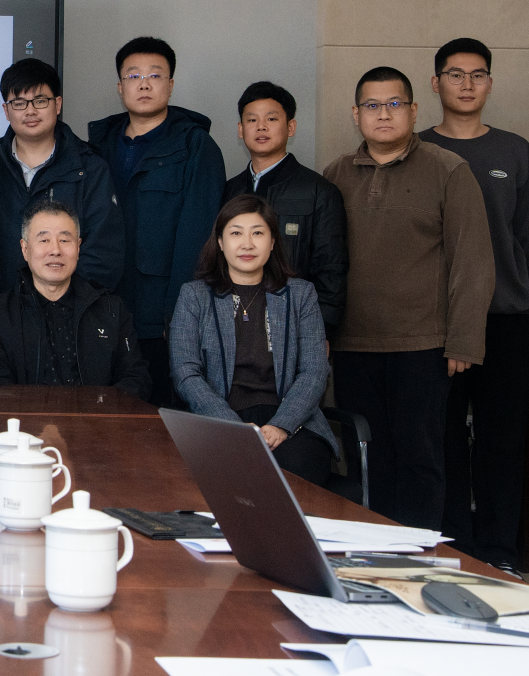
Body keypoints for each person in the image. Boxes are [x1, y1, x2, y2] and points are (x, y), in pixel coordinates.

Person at [323, 67, 495, 531]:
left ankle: (418, 557)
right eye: (373, 106)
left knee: (420, 458)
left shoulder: (447, 170)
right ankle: (374, 554)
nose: (384, 114)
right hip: (353, 345)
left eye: (395, 104)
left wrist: (463, 341)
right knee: (367, 459)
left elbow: (473, 261)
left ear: (415, 111)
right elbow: (322, 264)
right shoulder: (335, 174)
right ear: (356, 114)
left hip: (423, 346)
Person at [419, 39, 529, 572]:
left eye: (478, 74)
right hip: (436, 321)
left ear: (490, 83)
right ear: (435, 83)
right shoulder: (417, 148)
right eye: (455, 74)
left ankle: (499, 554)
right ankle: (453, 549)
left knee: (502, 443)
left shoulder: (515, 151)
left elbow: (527, 239)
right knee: (441, 441)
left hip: (505, 317)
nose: (466, 84)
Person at [86, 36, 226, 408]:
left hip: (161, 314)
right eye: (133, 76)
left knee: (163, 415)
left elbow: (199, 236)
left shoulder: (195, 147)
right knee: (105, 414)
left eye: (154, 75)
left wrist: (180, 314)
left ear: (171, 85)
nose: (144, 84)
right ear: (120, 87)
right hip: (102, 307)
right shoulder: (98, 147)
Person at [168, 195, 339, 486]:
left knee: (295, 470)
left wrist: (281, 425)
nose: (247, 244)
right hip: (220, 418)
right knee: (228, 473)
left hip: (290, 419)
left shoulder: (301, 295)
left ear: (272, 242)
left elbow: (314, 371)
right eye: (236, 233)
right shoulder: (194, 296)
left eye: (257, 233)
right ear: (220, 242)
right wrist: (233, 428)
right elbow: (186, 373)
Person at [0, 198, 148, 397]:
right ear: (25, 249)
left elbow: (136, 378)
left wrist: (97, 411)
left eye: (64, 240)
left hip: (96, 416)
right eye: (44, 240)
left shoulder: (111, 310)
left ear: (78, 247)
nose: (55, 250)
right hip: (25, 417)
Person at [0, 57, 122, 298]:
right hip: (0, 310)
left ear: (57, 104)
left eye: (40, 101)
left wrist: (59, 303)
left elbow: (104, 252)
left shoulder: (90, 168)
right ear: (6, 111)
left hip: (72, 311)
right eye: (19, 103)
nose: (30, 111)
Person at [222, 81, 347, 335]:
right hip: (234, 324)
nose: (261, 127)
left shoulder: (319, 191)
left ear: (291, 127)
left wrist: (322, 330)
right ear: (240, 129)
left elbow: (331, 269)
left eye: (271, 119)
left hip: (295, 325)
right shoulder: (228, 190)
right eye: (252, 120)